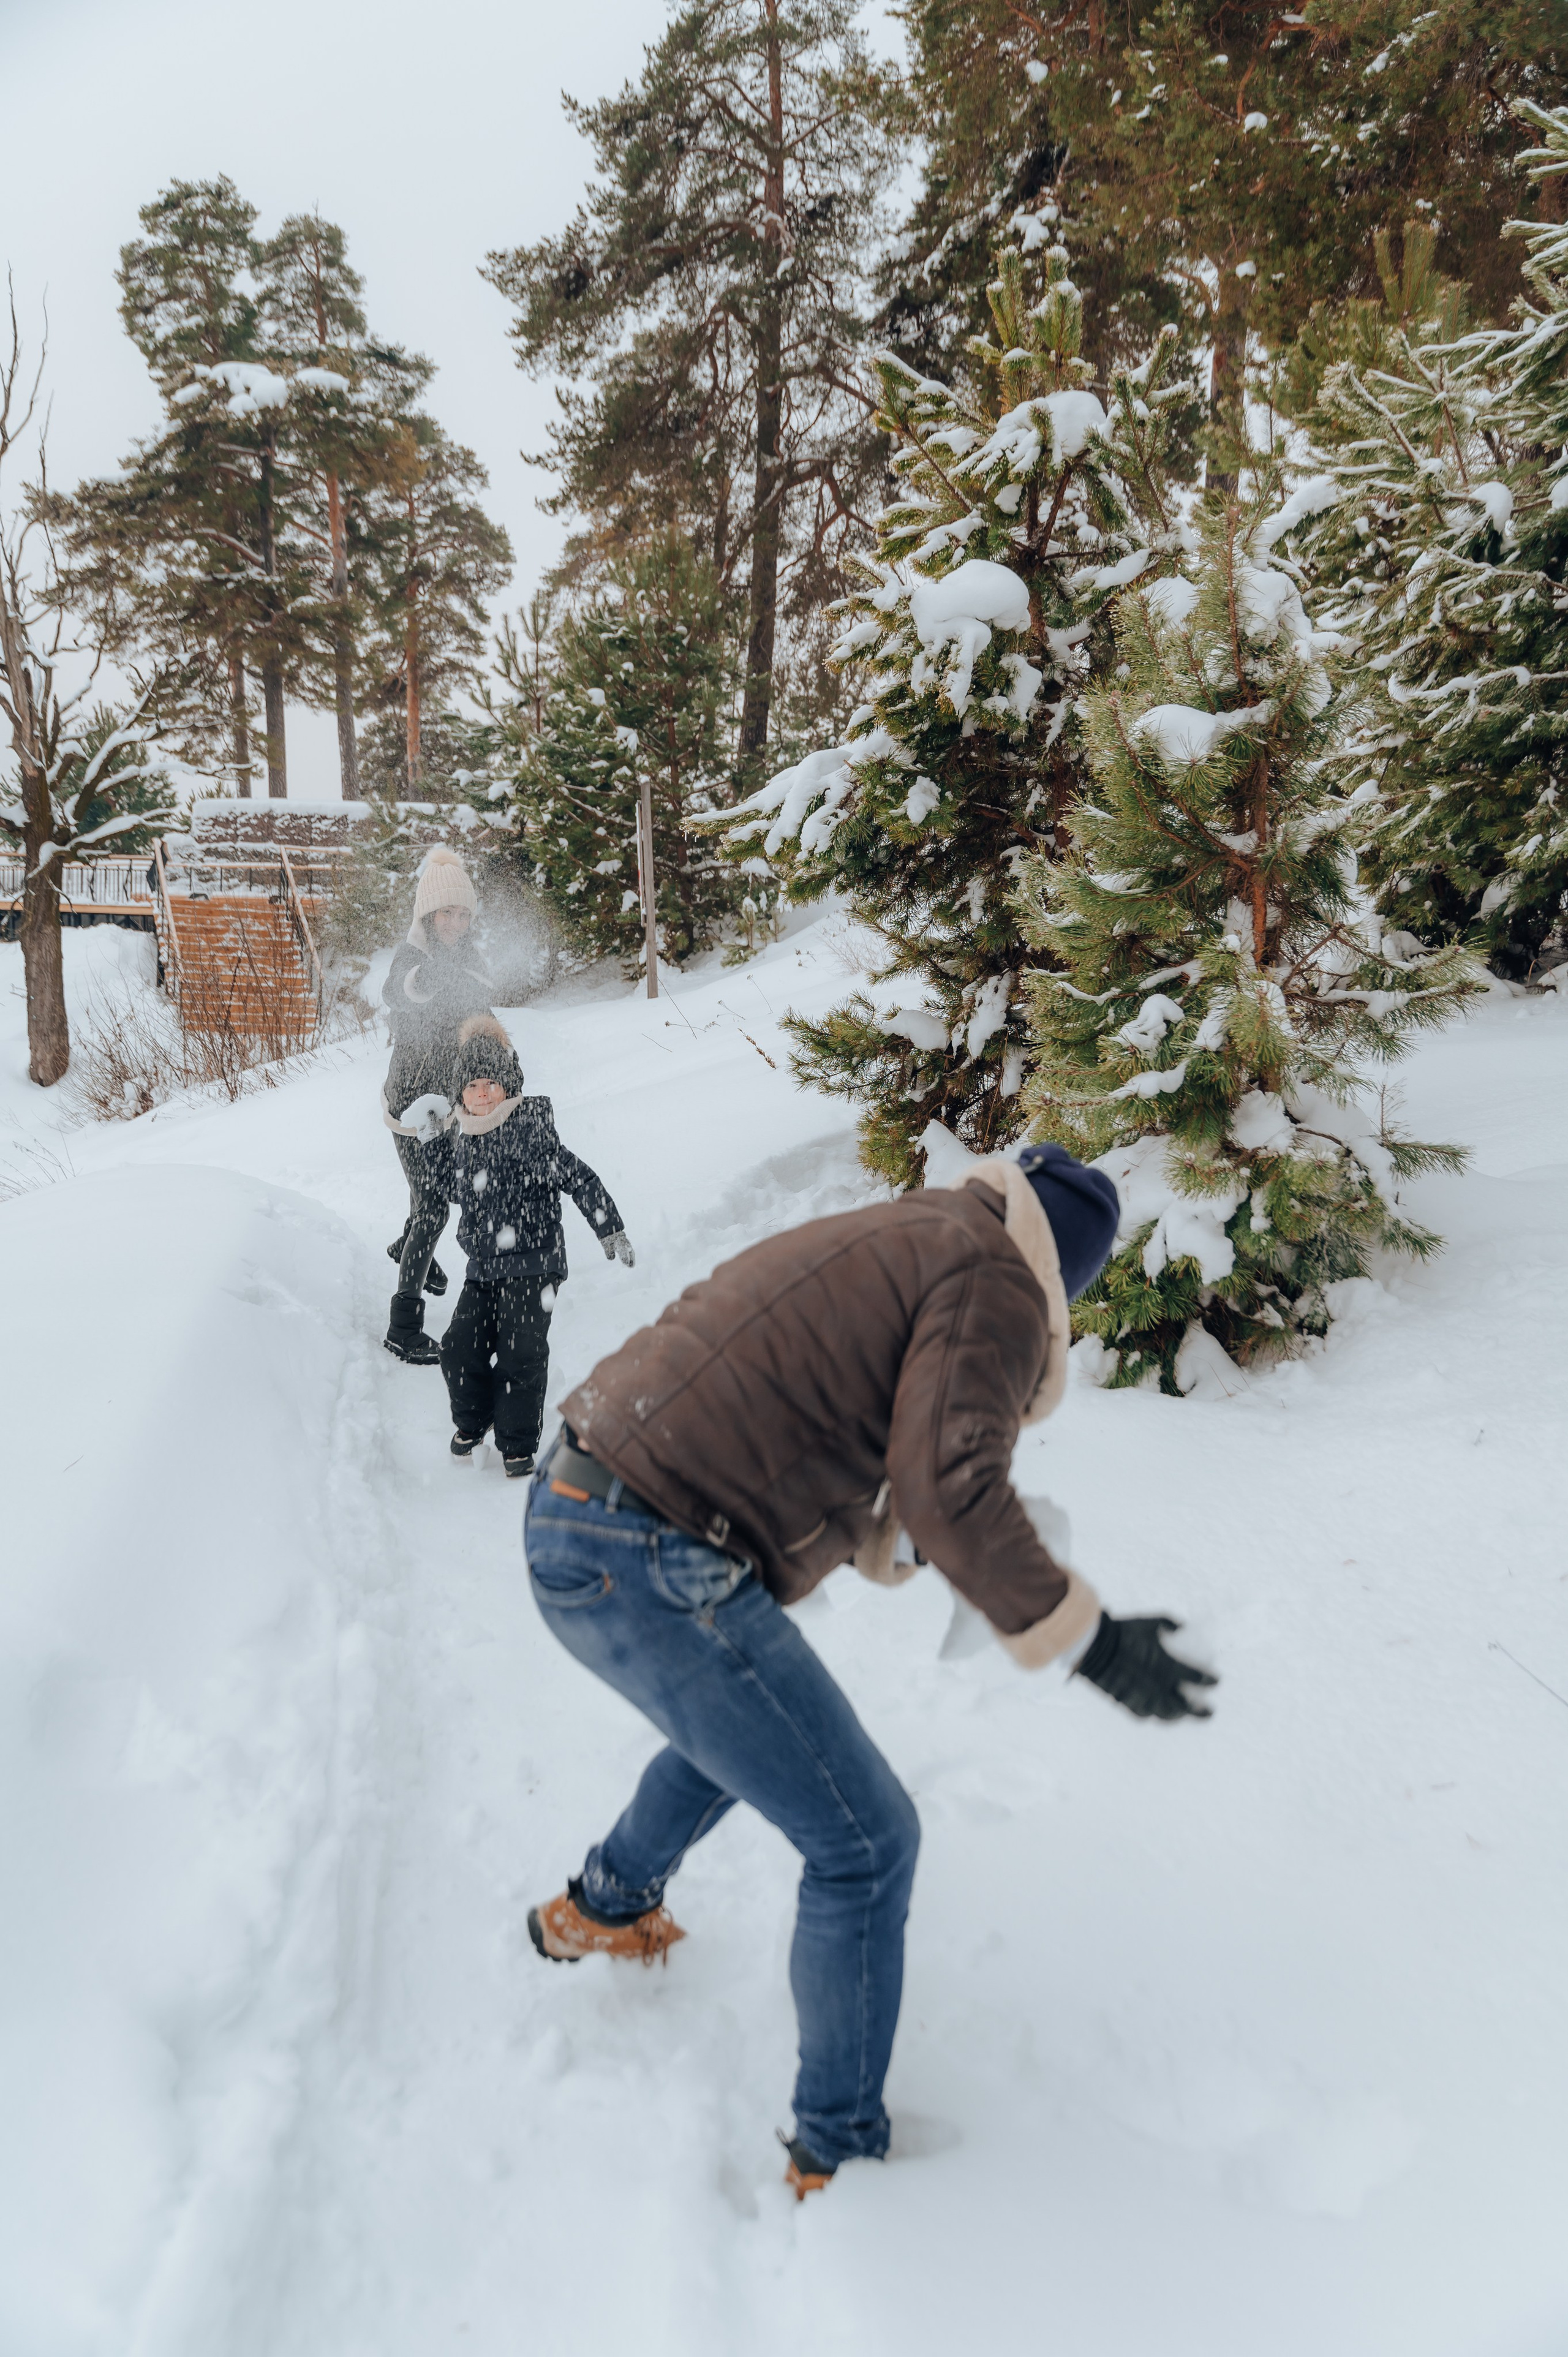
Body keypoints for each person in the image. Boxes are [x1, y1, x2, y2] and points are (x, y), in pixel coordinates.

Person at [522, 1142, 1216, 2198]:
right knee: (866, 1840)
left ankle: (605, 1907)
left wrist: (927, 1537)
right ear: (1065, 1277)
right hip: (648, 1539)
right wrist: (1091, 1637)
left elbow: (863, 1442)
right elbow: (946, 1482)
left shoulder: (917, 1234)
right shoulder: (997, 1280)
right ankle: (837, 2150)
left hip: (583, 1501)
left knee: (739, 1736)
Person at [442, 1015, 636, 1477]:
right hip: (485, 1268)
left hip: (534, 1262)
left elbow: (579, 1177)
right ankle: (474, 1420)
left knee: (520, 1352)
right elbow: (452, 1192)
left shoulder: (531, 1131)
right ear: (461, 1096)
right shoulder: (461, 1140)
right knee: (457, 1347)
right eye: (473, 1085)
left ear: (508, 1086)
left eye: (492, 1082)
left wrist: (608, 1226)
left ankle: (516, 1442)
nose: (484, 1093)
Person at [382, 848, 493, 1366]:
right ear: (428, 915)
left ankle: (409, 1252)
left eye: (463, 913)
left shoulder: (471, 961)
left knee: (431, 1196)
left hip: (445, 1105)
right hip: (411, 1103)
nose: (455, 922)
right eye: (446, 913)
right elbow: (399, 992)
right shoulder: (413, 957)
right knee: (433, 1206)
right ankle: (403, 1327)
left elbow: (482, 1022)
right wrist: (428, 981)